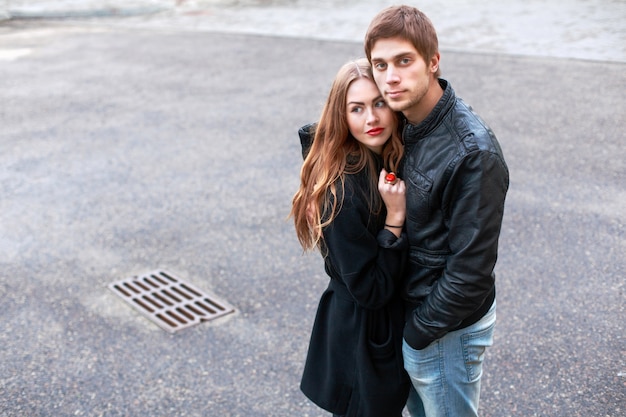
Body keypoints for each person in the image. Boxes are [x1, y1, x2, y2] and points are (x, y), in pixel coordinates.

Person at [364, 5, 510, 417]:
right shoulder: (402, 121)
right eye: (380, 65)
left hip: (444, 330)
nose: (390, 76)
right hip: (416, 318)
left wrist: (418, 333)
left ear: (433, 62)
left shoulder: (473, 153)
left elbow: (470, 272)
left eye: (404, 61)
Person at [290, 58, 411, 416]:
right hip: (360, 342)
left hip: (371, 332)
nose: (371, 119)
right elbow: (370, 290)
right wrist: (395, 218)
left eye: (378, 104)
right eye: (356, 109)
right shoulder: (342, 192)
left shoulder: (381, 156)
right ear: (340, 116)